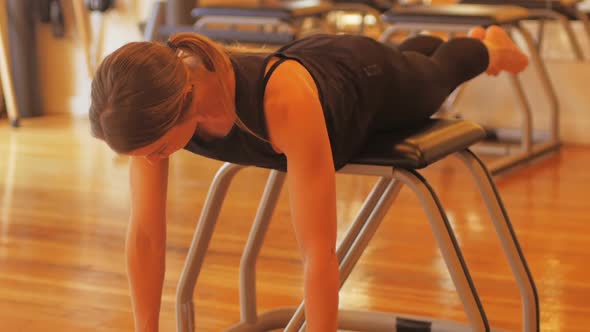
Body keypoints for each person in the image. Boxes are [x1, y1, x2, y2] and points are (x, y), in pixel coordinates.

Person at [89, 25, 528, 332]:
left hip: (363, 79)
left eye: (159, 150)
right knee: (412, 60)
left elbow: (317, 249)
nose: (152, 160)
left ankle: (490, 48)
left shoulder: (282, 102)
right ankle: (417, 50)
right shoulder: (153, 108)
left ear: (186, 100)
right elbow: (146, 237)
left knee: (433, 78)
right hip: (319, 61)